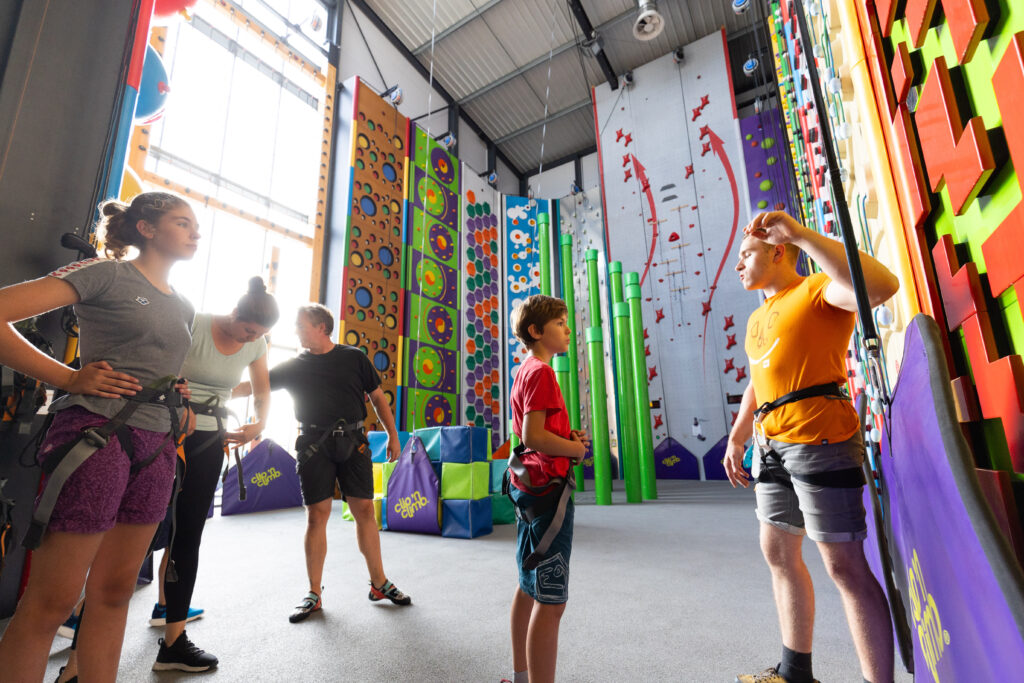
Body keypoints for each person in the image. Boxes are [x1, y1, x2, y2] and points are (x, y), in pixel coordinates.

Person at [0, 192, 199, 683]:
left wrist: (179, 397)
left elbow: (155, 365)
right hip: (97, 437)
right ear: (147, 229)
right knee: (52, 601)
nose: (196, 232)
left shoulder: (185, 305)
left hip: (157, 448)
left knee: (113, 594)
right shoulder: (105, 273)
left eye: (196, 225)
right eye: (182, 222)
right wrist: (66, 378)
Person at [54, 276, 281, 681]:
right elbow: (158, 370)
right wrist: (179, 406)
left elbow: (263, 389)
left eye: (260, 335)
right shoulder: (195, 322)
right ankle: (75, 663)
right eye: (250, 330)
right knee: (120, 539)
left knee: (187, 535)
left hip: (209, 440)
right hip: (159, 431)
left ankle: (174, 641)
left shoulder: (256, 343)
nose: (253, 339)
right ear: (235, 315)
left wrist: (258, 423)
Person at [723, 211, 900, 683]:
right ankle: (793, 672)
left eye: (746, 255)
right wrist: (739, 435)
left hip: (821, 438)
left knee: (844, 568)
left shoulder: (819, 289)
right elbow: (759, 381)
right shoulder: (757, 316)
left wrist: (801, 233)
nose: (738, 265)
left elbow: (882, 286)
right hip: (771, 446)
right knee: (778, 554)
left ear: (778, 250)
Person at [237, 303, 410, 623]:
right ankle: (314, 593)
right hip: (313, 447)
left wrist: (393, 436)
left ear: (321, 327)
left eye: (301, 326)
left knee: (364, 512)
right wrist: (214, 388)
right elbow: (254, 387)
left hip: (354, 445)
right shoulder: (293, 366)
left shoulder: (353, 357)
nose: (297, 331)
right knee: (317, 517)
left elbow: (377, 397)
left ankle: (379, 583)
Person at [505, 294, 588, 683]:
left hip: (529, 485)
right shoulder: (542, 372)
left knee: (528, 583)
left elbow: (533, 431)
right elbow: (533, 435)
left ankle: (522, 676)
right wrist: (574, 448)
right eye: (559, 323)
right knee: (551, 601)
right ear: (537, 332)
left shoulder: (526, 370)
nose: (567, 329)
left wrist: (565, 436)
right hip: (548, 490)